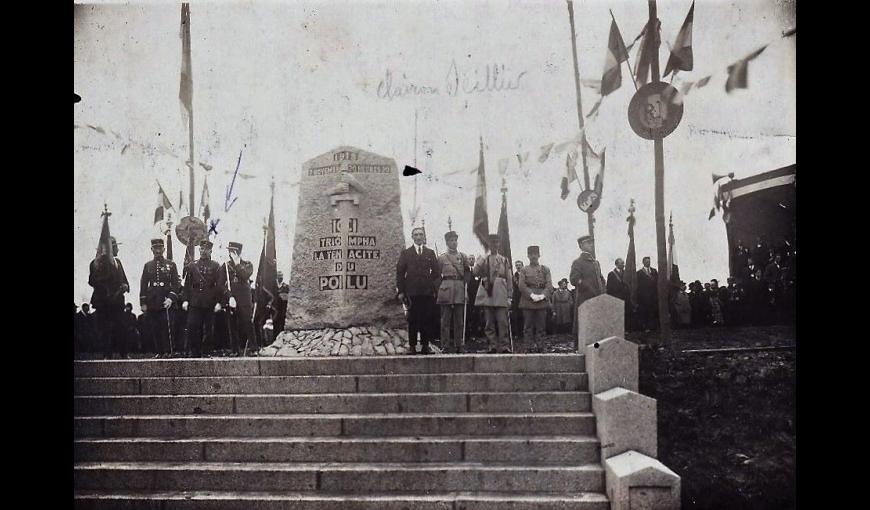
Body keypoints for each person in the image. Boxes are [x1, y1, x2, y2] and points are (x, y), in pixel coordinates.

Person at [396, 227, 439, 355]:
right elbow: (400, 273)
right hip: (412, 292)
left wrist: (432, 286)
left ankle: (425, 346)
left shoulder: (430, 253)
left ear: (424, 236)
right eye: (416, 235)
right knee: (413, 319)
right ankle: (412, 346)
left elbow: (436, 273)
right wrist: (402, 291)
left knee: (427, 319)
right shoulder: (406, 253)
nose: (419, 237)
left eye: (421, 234)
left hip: (427, 292)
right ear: (412, 237)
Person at [182, 239, 225, 357]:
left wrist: (219, 302)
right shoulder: (192, 265)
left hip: (209, 301)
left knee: (208, 329)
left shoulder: (216, 266)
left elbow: (220, 286)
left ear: (210, 251)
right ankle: (194, 352)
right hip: (195, 301)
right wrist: (185, 300)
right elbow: (187, 284)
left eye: (206, 249)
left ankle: (206, 352)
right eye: (201, 249)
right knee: (192, 326)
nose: (203, 251)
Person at [88, 236, 129, 358]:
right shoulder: (96, 263)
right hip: (103, 302)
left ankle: (123, 353)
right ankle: (107, 354)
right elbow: (92, 281)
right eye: (115, 247)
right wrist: (107, 291)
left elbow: (123, 278)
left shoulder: (118, 262)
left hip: (117, 302)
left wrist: (126, 285)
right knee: (105, 329)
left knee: (121, 327)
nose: (118, 250)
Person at [140, 238, 181, 357]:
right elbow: (143, 284)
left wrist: (171, 298)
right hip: (153, 300)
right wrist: (143, 302)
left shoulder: (171, 264)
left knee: (167, 326)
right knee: (155, 327)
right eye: (155, 248)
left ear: (163, 249)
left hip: (166, 299)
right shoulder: (147, 265)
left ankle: (169, 351)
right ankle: (159, 351)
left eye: (160, 248)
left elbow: (175, 284)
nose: (158, 251)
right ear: (151, 249)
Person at [473, 233, 513, 353]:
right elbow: (475, 273)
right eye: (492, 243)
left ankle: (504, 346)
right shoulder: (483, 258)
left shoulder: (504, 260)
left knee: (503, 322)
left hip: (501, 292)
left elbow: (509, 278)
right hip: (487, 292)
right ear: (488, 244)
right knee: (489, 322)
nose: (494, 245)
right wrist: (481, 259)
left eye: (496, 243)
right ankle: (492, 346)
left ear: (499, 244)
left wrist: (510, 296)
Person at [436, 231, 471, 353]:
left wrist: (466, 289)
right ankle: (445, 345)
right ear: (447, 242)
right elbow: (436, 276)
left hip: (459, 288)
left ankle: (459, 345)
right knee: (445, 319)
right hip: (446, 288)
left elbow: (467, 273)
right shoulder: (441, 258)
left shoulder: (463, 256)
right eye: (451, 240)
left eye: (455, 240)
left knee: (459, 320)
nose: (454, 242)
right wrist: (439, 289)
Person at [218, 242, 255, 356]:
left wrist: (237, 263)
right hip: (232, 300)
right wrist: (229, 296)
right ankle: (235, 350)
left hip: (244, 299)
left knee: (247, 323)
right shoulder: (225, 266)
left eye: (233, 251)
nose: (231, 254)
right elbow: (220, 284)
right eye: (230, 251)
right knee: (232, 325)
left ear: (239, 252)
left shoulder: (248, 264)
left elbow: (244, 276)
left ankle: (253, 348)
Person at [518, 246, 553, 352]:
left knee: (541, 326)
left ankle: (541, 346)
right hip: (528, 301)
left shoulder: (545, 269)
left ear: (539, 255)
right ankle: (528, 346)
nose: (533, 256)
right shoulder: (524, 270)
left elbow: (549, 285)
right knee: (528, 326)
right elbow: (521, 285)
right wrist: (531, 295)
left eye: (535, 254)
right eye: (531, 254)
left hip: (542, 301)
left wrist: (543, 295)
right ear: (528, 256)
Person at [569, 235, 606, 309]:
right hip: (585, 301)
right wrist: (588, 287)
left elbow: (601, 279)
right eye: (588, 243)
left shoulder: (596, 263)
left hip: (598, 300)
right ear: (581, 246)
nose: (591, 245)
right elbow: (574, 280)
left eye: (591, 243)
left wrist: (603, 289)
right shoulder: (578, 262)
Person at [606, 258, 633, 330]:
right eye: (621, 263)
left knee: (626, 313)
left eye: (623, 263)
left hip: (625, 297)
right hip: (616, 297)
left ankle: (626, 329)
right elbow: (609, 288)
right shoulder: (611, 274)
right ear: (616, 264)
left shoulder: (626, 273)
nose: (623, 265)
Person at [635, 256, 658, 332]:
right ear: (643, 262)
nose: (648, 263)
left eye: (649, 261)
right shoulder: (639, 273)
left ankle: (652, 327)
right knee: (644, 312)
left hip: (653, 296)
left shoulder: (654, 271)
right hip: (644, 297)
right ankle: (645, 327)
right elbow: (638, 286)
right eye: (646, 261)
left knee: (652, 312)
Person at [511, 260, 525, 339]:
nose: (518, 266)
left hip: (524, 297)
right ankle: (517, 333)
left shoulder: (525, 274)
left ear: (522, 265)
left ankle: (525, 332)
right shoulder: (514, 276)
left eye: (519, 265)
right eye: (517, 265)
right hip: (516, 297)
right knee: (517, 315)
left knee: (525, 315)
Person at [274, 271, 290, 336]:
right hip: (275, 308)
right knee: (275, 323)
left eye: (281, 276)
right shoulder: (274, 287)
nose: (280, 278)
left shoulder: (286, 286)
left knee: (282, 323)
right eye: (279, 276)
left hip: (283, 308)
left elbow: (287, 297)